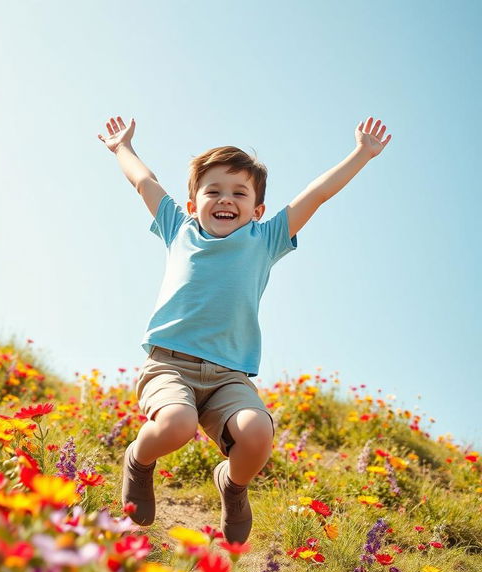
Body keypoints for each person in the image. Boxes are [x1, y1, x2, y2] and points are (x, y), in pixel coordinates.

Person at [98, 115, 391, 543]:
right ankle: (138, 463)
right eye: (213, 190)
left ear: (257, 210)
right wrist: (121, 147)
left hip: (228, 376)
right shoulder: (178, 228)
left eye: (239, 193)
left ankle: (232, 486)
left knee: (257, 432)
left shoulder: (264, 240)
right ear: (193, 203)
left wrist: (362, 153)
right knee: (177, 424)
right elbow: (144, 182)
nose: (225, 199)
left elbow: (318, 195)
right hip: (169, 365)